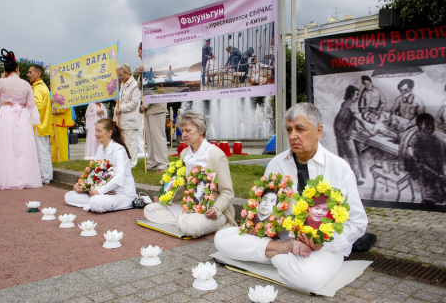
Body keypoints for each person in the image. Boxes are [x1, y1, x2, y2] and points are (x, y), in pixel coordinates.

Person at [214, 103, 368, 292]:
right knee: (222, 237)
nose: (293, 135)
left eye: (300, 129)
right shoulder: (276, 164)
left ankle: (270, 254)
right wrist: (258, 226)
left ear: (318, 131)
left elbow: (358, 222)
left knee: (309, 279)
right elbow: (266, 205)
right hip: (282, 240)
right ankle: (284, 250)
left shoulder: (339, 168)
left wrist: (324, 241)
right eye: (289, 129)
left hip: (322, 248)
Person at [144, 110, 237, 238]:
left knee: (191, 227)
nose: (184, 135)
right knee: (150, 210)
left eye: (188, 131)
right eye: (182, 131)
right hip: (188, 206)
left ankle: (188, 222)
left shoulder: (216, 155)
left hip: (211, 211)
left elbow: (228, 192)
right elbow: (182, 186)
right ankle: (185, 219)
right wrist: (165, 197)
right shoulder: (184, 154)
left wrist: (216, 209)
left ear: (200, 130)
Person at [0, 49, 42, 190]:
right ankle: (26, 177)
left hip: (6, 112)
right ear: (17, 69)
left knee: (6, 144)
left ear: (5, 69)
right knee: (23, 145)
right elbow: (31, 104)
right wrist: (35, 119)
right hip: (23, 113)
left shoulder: (1, 82)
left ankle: (6, 177)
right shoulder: (25, 84)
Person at [65, 118, 136, 212]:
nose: (96, 134)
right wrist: (79, 186)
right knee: (69, 196)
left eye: (99, 131)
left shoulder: (119, 150)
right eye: (96, 130)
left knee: (96, 202)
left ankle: (95, 203)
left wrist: (99, 192)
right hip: (105, 193)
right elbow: (93, 173)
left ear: (109, 133)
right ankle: (96, 202)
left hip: (122, 194)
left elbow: (119, 178)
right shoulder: (100, 149)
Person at [138, 43, 169, 173]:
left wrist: (147, 104)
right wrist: (140, 75)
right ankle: (152, 163)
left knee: (158, 136)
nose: (138, 54)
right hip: (149, 109)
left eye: (139, 51)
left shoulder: (156, 65)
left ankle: (163, 164)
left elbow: (157, 87)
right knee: (149, 138)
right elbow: (140, 87)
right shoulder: (144, 67)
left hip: (157, 106)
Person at [334, 85, 372, 184]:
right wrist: (370, 131)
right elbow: (359, 120)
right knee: (353, 157)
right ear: (351, 94)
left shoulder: (345, 104)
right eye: (356, 94)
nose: (357, 96)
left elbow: (352, 120)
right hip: (344, 133)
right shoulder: (350, 105)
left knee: (342, 157)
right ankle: (355, 179)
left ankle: (341, 179)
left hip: (339, 132)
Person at [411, 113, 446, 205]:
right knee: (429, 201)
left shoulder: (438, 141)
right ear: (419, 126)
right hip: (427, 178)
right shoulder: (416, 142)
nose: (430, 126)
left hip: (441, 176)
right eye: (426, 124)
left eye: (432, 124)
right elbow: (420, 165)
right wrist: (438, 176)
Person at [28, 64, 53, 184]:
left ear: (38, 74)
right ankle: (47, 175)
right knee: (44, 151)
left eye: (30, 72)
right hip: (43, 124)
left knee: (40, 152)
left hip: (38, 124)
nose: (28, 75)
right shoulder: (42, 87)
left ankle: (44, 177)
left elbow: (35, 106)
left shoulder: (37, 88)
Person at [115, 63, 141, 167]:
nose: (119, 78)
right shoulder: (122, 84)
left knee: (131, 142)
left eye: (121, 76)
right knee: (123, 141)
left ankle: (132, 162)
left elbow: (134, 103)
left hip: (131, 118)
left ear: (128, 73)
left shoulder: (135, 85)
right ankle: (125, 161)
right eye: (118, 76)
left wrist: (121, 108)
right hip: (122, 119)